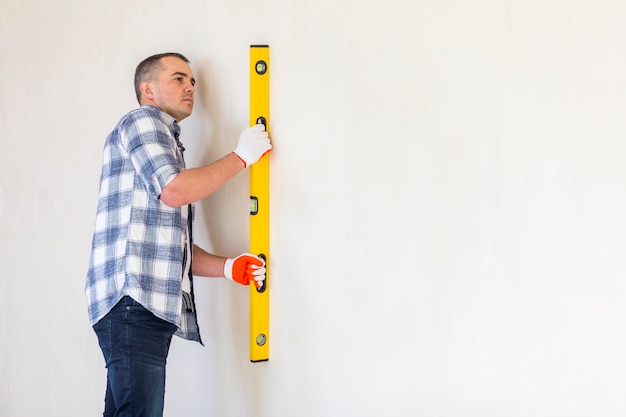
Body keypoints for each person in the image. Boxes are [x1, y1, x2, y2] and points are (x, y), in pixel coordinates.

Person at [85, 52, 272, 417]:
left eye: (192, 81)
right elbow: (174, 190)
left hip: (135, 305)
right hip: (132, 300)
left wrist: (228, 267)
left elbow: (170, 246)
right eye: (178, 78)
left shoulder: (165, 141)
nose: (190, 87)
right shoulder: (144, 122)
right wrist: (240, 158)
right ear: (148, 89)